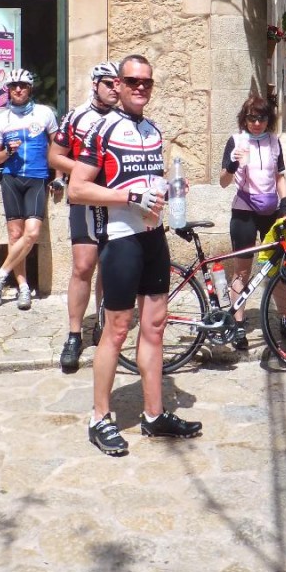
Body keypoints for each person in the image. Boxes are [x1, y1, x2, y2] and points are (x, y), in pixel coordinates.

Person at [68, 54, 202, 456]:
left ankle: (154, 414)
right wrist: (130, 195)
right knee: (118, 329)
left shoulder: (154, 131)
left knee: (156, 327)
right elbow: (77, 189)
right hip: (121, 238)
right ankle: (99, 418)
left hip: (153, 237)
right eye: (132, 80)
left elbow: (149, 180)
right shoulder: (103, 129)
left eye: (147, 81)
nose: (140, 87)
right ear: (119, 85)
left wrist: (168, 188)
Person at [49, 62, 120, 372]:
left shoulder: (124, 119)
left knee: (109, 265)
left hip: (114, 203)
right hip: (84, 201)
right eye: (108, 83)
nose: (115, 89)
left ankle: (102, 324)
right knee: (82, 266)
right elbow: (54, 156)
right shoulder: (76, 116)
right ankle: (74, 334)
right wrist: (82, 174)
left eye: (119, 83)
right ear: (94, 84)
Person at [218, 93, 286, 351]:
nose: (256, 123)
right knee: (242, 271)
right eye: (252, 118)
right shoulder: (236, 140)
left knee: (279, 270)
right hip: (244, 212)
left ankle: (284, 319)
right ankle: (239, 324)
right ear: (245, 119)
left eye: (261, 118)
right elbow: (223, 182)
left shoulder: (274, 142)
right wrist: (231, 165)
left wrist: (285, 203)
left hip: (271, 211)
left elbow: (280, 176)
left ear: (268, 119)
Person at [0, 68, 59, 312]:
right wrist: (8, 152)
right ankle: (23, 287)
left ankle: (0, 274)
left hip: (37, 178)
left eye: (23, 86)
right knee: (15, 236)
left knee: (32, 233)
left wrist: (59, 177)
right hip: (11, 179)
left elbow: (57, 148)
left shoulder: (45, 114)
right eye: (14, 86)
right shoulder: (2, 120)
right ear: (8, 90)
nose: (18, 89)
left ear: (30, 89)